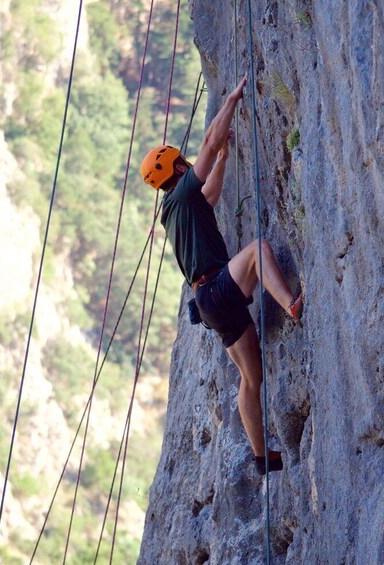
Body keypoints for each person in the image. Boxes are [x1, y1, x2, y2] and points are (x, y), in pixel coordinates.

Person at [140, 76, 303, 475]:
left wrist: (226, 159)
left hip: (209, 305)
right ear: (178, 167)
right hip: (216, 288)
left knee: (252, 377)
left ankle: (262, 456)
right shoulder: (181, 196)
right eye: (183, 161)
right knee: (259, 250)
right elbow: (209, 143)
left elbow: (210, 194)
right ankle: (292, 304)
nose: (188, 162)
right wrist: (232, 99)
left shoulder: (176, 209)